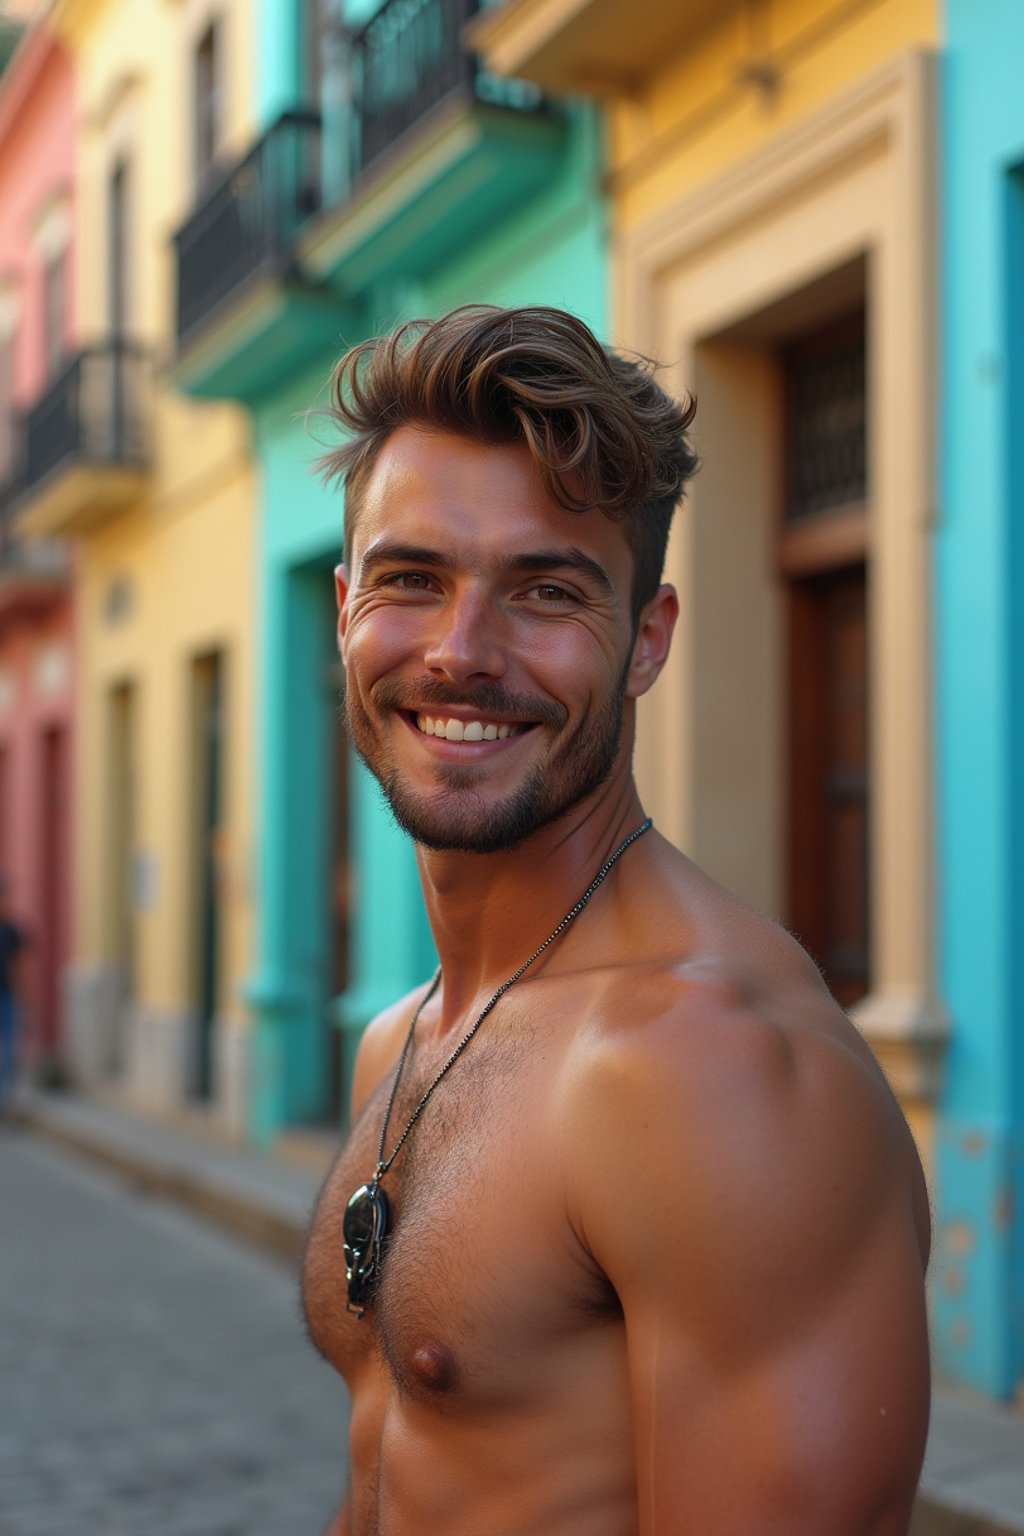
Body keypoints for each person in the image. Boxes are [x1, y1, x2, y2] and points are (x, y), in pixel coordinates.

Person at [302, 305, 931, 1536]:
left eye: (544, 590)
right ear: (343, 612)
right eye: (411, 579)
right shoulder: (404, 1040)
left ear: (645, 640)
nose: (460, 652)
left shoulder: (710, 1069)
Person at [0, 878, 24, 1114]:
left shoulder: (12, 932)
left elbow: (21, 966)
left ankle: (6, 1102)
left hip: (7, 998)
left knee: (10, 1051)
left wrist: (26, 999)